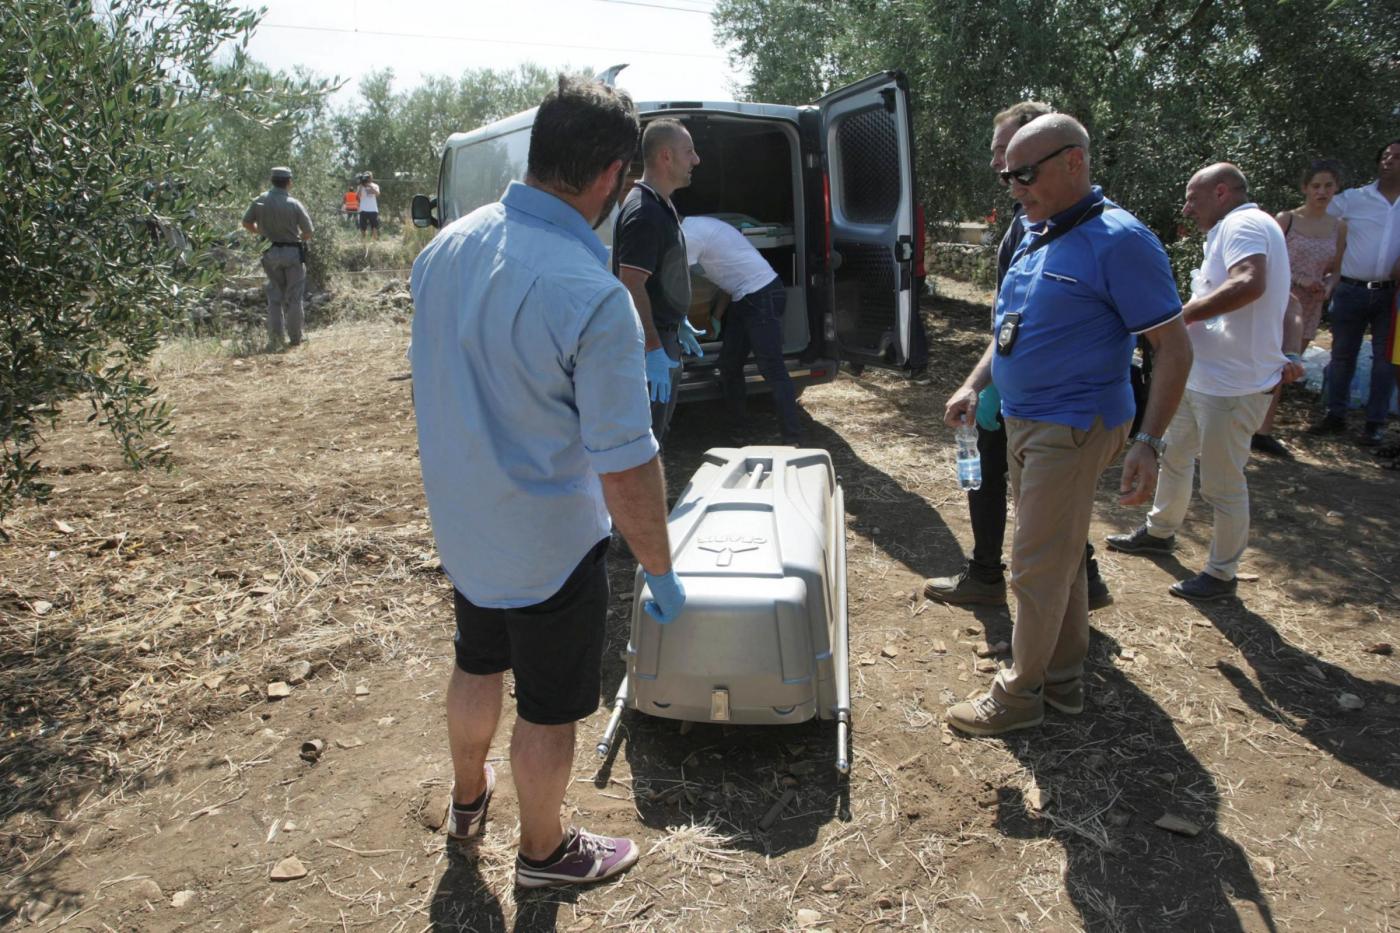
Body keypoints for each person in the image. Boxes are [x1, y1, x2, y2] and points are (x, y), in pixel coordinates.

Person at [409, 77, 685, 889]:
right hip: (549, 547)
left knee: (476, 659)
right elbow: (626, 462)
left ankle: (467, 801)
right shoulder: (591, 294)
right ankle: (543, 852)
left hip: (466, 527)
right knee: (549, 707)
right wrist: (661, 569)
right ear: (612, 174)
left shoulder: (443, 250)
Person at [940, 114, 1192, 737]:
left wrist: (1150, 443)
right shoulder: (1036, 230)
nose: (1014, 186)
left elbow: (1174, 348)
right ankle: (1063, 679)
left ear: (1074, 161)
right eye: (1007, 175)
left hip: (1074, 424)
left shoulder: (1122, 241)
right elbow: (1010, 330)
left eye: (1025, 173)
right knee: (1060, 559)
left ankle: (1018, 696)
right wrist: (977, 384)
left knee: (1032, 564)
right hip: (1027, 420)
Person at [922, 102, 1115, 612]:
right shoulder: (1028, 221)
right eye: (998, 155)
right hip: (1012, 373)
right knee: (1026, 485)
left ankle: (1007, 579)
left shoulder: (1080, 228)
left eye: (1008, 153)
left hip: (1042, 391)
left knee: (1027, 486)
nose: (1000, 166)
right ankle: (1075, 577)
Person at [1108, 164, 1302, 602]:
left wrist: (1182, 316)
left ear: (1221, 192)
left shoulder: (1245, 222)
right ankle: (1160, 532)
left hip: (1233, 387)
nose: (1186, 207)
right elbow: (1275, 295)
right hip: (1203, 378)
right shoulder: (1235, 228)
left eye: (1193, 198)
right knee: (1175, 456)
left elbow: (1250, 282)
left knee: (1221, 482)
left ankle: (1221, 573)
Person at [1250, 161, 1348, 457]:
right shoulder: (1287, 219)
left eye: (1328, 186)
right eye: (1316, 185)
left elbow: (1337, 270)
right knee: (1260, 361)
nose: (1322, 192)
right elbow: (1264, 262)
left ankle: (1263, 431)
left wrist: (1328, 287)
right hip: (1277, 300)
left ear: (1336, 189)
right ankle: (1243, 423)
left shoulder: (1339, 226)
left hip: (1310, 306)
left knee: (1285, 368)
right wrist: (1299, 279)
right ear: (1305, 188)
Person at [614, 119, 702, 446]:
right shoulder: (644, 212)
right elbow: (631, 284)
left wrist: (677, 319)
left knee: (659, 432)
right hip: (651, 347)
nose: (696, 160)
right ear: (666, 157)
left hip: (666, 336)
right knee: (645, 440)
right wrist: (653, 347)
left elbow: (654, 279)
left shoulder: (660, 203)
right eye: (689, 151)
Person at [1310, 139, 1400, 447]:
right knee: (1342, 354)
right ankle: (1335, 415)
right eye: (1385, 155)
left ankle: (1374, 424)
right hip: (1351, 289)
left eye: (1397, 157)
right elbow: (1316, 212)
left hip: (1391, 294)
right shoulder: (1354, 199)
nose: (1389, 161)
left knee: (1385, 361)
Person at [681, 215, 803, 442]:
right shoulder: (702, 225)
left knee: (771, 368)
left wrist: (677, 318)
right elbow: (732, 277)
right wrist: (716, 317)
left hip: (760, 295)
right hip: (748, 296)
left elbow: (677, 281)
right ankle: (740, 430)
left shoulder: (688, 235)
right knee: (729, 364)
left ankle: (792, 437)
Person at [242, 166, 314, 351]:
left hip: (269, 252)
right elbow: (308, 232)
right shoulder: (294, 203)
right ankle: (296, 338)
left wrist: (261, 233)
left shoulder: (259, 200)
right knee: (294, 297)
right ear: (289, 182)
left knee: (275, 297)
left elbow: (246, 222)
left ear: (272, 181)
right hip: (292, 253)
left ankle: (275, 339)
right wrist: (297, 237)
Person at [356, 171, 381, 240]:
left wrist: (370, 186)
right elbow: (358, 196)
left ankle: (374, 241)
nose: (368, 178)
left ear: (371, 178)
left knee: (374, 226)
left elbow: (377, 194)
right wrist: (361, 185)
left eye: (369, 177)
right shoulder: (360, 186)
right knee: (362, 227)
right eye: (367, 177)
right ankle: (363, 241)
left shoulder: (375, 185)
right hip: (363, 209)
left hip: (373, 209)